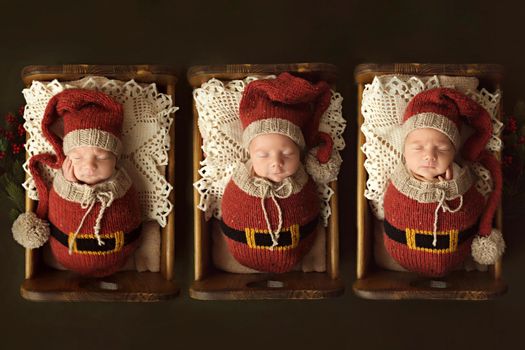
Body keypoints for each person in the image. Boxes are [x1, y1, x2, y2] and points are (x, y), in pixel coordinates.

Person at [12, 89, 142, 277]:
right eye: (77, 157)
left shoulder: (123, 185)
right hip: (63, 260)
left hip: (123, 260)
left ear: (116, 158)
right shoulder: (63, 185)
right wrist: (68, 185)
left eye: (102, 156)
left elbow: (133, 213)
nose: (89, 166)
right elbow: (56, 209)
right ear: (67, 157)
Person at [383, 88, 504, 277]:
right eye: (418, 147)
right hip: (401, 253)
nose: (429, 156)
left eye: (441, 148)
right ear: (404, 151)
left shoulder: (461, 180)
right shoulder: (399, 180)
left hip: (455, 254)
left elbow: (475, 207)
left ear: (454, 153)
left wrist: (452, 186)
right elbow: (388, 207)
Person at [219, 72, 333, 273]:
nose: (276, 163)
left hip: (298, 251)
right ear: (250, 155)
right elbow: (228, 210)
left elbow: (313, 209)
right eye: (263, 155)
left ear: (300, 152)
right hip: (240, 254)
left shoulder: (304, 184)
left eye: (288, 154)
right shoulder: (239, 184)